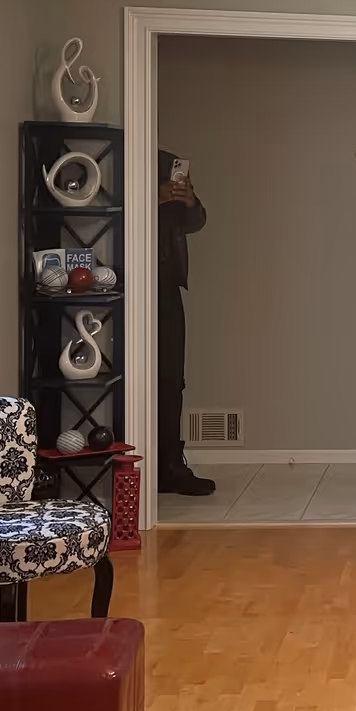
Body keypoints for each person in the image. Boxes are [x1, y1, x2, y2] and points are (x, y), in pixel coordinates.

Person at [158, 150, 215, 495]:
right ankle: (143, 465)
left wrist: (189, 201)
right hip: (125, 286)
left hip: (166, 284)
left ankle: (171, 465)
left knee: (171, 379)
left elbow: (195, 223)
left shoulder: (168, 163)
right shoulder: (117, 165)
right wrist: (152, 198)